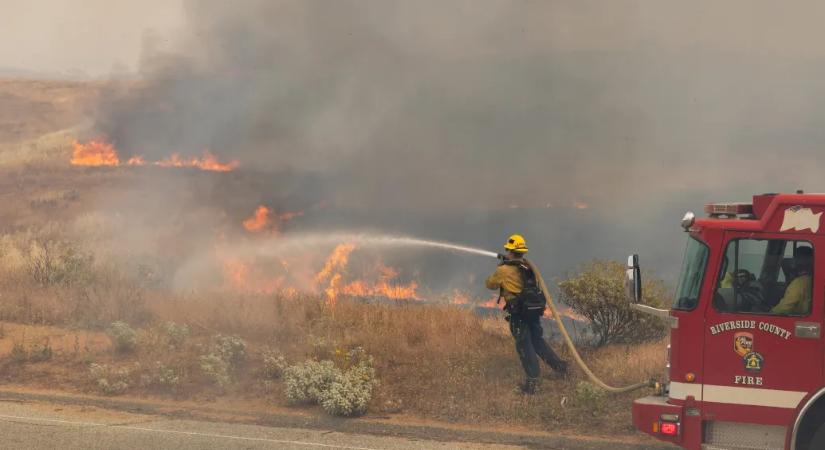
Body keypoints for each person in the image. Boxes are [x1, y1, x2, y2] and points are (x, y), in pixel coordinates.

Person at [485, 234, 568, 394]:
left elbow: (490, 284)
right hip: (533, 312)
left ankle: (533, 383)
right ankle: (561, 368)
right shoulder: (528, 267)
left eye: (508, 250)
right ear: (522, 252)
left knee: (524, 346)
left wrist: (502, 265)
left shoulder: (503, 270)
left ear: (510, 251)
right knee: (537, 341)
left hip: (519, 314)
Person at [771, 246, 813, 315]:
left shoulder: (799, 283)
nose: (793, 261)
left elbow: (783, 309)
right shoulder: (812, 279)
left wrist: (770, 313)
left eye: (796, 258)